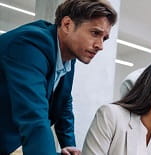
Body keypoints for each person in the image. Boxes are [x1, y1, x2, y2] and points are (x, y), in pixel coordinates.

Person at [0, 0, 117, 154]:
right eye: (95, 33)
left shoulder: (68, 56)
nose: (100, 45)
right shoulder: (30, 44)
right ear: (67, 24)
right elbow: (34, 117)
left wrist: (69, 147)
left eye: (104, 38)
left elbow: (64, 103)